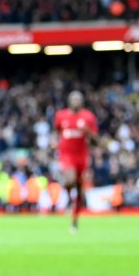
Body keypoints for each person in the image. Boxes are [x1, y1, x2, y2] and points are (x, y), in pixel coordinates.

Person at [52, 90, 99, 232]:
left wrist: (88, 133)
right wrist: (54, 142)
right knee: (70, 179)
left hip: (82, 156)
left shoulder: (88, 117)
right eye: (74, 99)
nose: (76, 102)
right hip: (67, 155)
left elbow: (96, 141)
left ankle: (74, 220)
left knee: (79, 189)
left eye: (79, 99)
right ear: (69, 101)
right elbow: (56, 131)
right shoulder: (61, 116)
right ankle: (67, 196)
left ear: (82, 102)